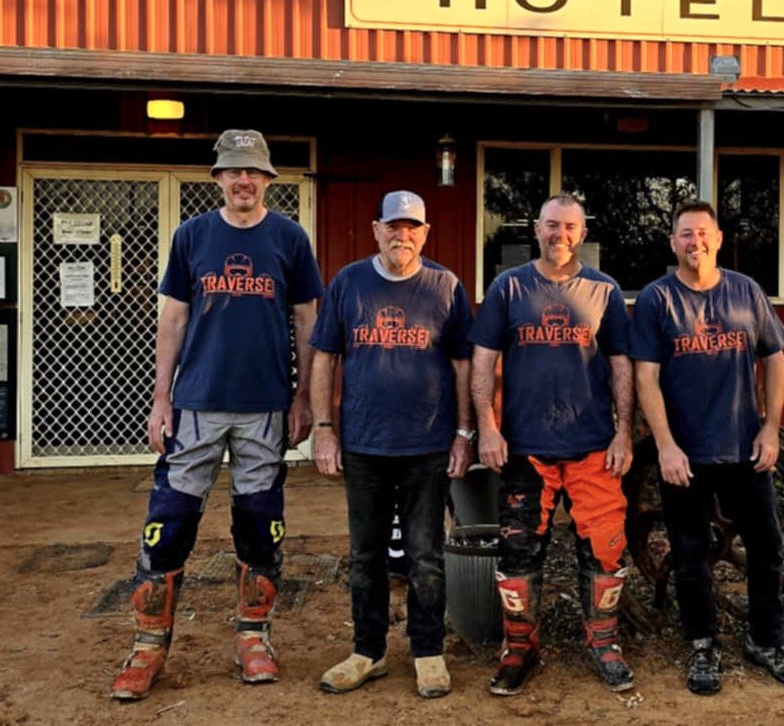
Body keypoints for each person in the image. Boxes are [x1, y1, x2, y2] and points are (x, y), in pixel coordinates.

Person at [111, 129, 324, 700]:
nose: (243, 180)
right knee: (169, 522)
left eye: (252, 171)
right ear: (218, 178)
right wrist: (161, 397)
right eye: (233, 171)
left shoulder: (290, 239)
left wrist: (304, 397)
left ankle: (254, 637)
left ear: (268, 179)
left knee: (259, 525)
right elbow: (173, 319)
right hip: (196, 404)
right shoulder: (192, 235)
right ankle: (148, 646)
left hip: (265, 405)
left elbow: (307, 320)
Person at [629, 199, 784, 695]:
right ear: (673, 243)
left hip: (744, 447)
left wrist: (770, 429)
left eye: (703, 232)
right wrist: (665, 445)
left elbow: (776, 358)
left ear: (719, 239)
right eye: (686, 234)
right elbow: (645, 377)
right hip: (684, 455)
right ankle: (702, 645)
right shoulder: (657, 299)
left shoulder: (746, 291)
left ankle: (766, 639)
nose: (696, 242)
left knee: (766, 547)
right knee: (690, 553)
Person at [311, 190, 474, 699]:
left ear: (425, 234)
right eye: (393, 226)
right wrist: (323, 428)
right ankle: (369, 651)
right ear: (376, 230)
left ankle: (427, 651)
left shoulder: (445, 286)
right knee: (365, 555)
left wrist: (464, 433)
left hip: (428, 444)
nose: (402, 235)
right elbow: (324, 357)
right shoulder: (348, 283)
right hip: (364, 443)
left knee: (426, 555)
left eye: (412, 228)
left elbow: (463, 364)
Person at [470, 193, 635, 697]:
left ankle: (604, 643)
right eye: (551, 225)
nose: (559, 234)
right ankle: (519, 648)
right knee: (518, 554)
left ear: (582, 234)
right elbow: (483, 361)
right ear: (536, 230)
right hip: (526, 448)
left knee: (605, 550)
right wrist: (487, 427)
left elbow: (622, 364)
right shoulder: (508, 287)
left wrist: (624, 431)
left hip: (594, 445)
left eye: (569, 227)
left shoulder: (604, 290)